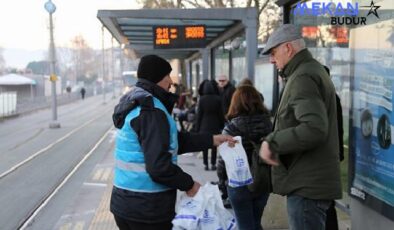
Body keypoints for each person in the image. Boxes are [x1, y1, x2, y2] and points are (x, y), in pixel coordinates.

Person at [110, 54, 235, 230]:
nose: (170, 81)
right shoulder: (152, 111)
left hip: (126, 202)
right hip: (147, 207)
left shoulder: (135, 102)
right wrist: (189, 185)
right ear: (156, 78)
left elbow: (171, 141)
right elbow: (158, 166)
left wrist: (212, 139)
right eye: (167, 75)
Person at [259, 24, 342, 230]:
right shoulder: (309, 71)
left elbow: (314, 128)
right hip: (309, 182)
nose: (271, 59)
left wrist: (272, 142)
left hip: (307, 187)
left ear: (288, 48)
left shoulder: (302, 77)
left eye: (273, 52)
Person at [221, 85, 272, 230]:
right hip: (262, 179)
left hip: (238, 181)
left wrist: (222, 183)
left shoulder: (231, 127)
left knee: (244, 225)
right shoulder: (269, 124)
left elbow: (223, 160)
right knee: (256, 222)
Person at [195, 79, 225, 171]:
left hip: (204, 125)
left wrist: (197, 127)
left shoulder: (202, 99)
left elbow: (199, 115)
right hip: (215, 125)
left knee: (205, 145)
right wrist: (221, 125)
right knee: (214, 145)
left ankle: (205, 164)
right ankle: (213, 163)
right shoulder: (218, 99)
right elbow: (221, 114)